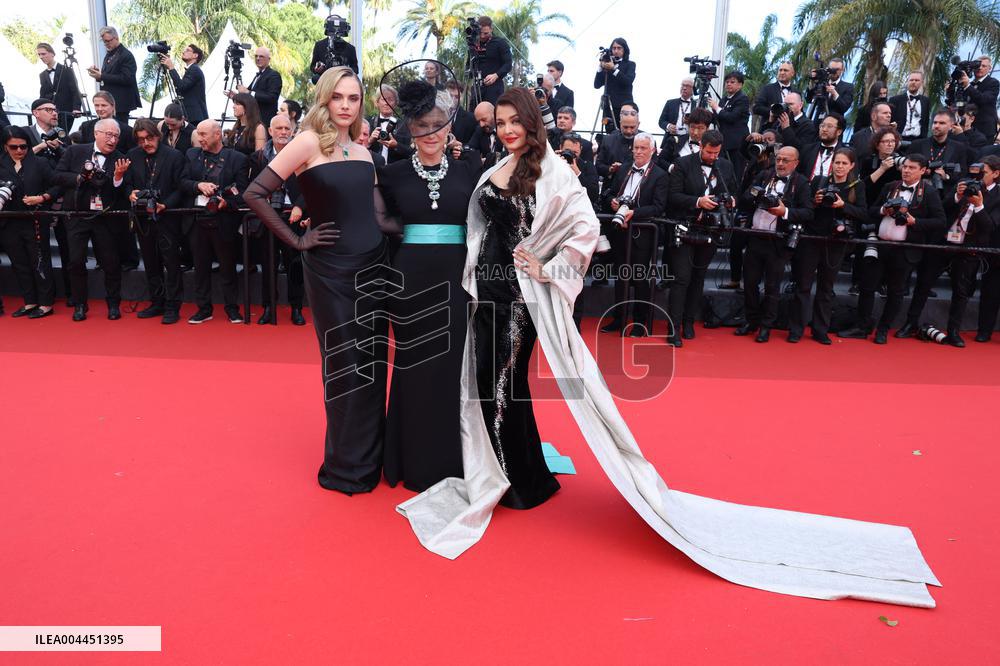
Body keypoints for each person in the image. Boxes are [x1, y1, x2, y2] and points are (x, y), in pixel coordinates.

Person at [396, 87, 938, 611]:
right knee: (498, 384)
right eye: (502, 123)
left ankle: (511, 481)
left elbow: (585, 228)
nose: (509, 130)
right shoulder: (496, 168)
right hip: (486, 291)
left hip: (519, 296)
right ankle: (523, 474)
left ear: (533, 122)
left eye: (517, 121)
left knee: (497, 384)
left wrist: (548, 266)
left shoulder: (553, 169)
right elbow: (478, 226)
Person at [243, 66, 388, 495]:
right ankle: (347, 467)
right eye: (338, 97)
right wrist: (296, 238)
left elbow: (380, 216)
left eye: (354, 99)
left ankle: (372, 458)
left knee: (374, 364)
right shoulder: (307, 142)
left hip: (374, 267)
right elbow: (255, 193)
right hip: (332, 270)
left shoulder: (363, 152)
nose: (346, 106)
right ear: (325, 99)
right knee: (345, 365)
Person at [378, 78, 482, 492]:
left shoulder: (468, 169)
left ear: (449, 128)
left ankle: (448, 459)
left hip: (455, 278)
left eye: (437, 126)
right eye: (421, 127)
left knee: (450, 366)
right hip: (409, 279)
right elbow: (377, 221)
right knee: (412, 364)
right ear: (409, 129)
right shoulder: (392, 174)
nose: (430, 135)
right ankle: (407, 457)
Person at [839, 154, 946, 343]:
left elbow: (940, 221)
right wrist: (883, 211)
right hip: (880, 244)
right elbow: (871, 211)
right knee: (867, 286)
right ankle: (862, 326)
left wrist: (915, 222)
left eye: (912, 168)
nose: (906, 170)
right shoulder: (890, 186)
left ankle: (883, 329)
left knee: (895, 291)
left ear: (922, 170)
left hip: (905, 249)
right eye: (905, 167)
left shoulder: (928, 192)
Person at [894, 159, 996, 346]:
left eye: (984, 173)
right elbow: (942, 209)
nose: (978, 178)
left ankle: (953, 331)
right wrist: (957, 196)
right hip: (943, 243)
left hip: (969, 250)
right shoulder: (963, 184)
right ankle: (910, 323)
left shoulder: (997, 195)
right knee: (923, 284)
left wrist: (980, 205)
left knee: (961, 291)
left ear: (996, 174)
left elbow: (990, 227)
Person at [665, 129, 738, 346]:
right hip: (685, 228)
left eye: (717, 153)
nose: (713, 157)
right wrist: (698, 201)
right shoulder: (683, 164)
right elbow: (673, 196)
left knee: (698, 278)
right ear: (700, 146)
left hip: (711, 231)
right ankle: (673, 327)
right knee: (681, 279)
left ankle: (689, 323)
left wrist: (731, 201)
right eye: (709, 152)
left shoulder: (726, 165)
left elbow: (734, 191)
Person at [54, 118, 130, 321]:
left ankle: (113, 304)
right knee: (76, 261)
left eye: (116, 136)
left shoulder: (121, 158)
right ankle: (80, 305)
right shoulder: (75, 151)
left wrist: (118, 177)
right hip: (77, 215)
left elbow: (121, 193)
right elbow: (58, 176)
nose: (112, 140)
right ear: (96, 133)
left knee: (111, 262)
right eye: (109, 134)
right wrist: (79, 178)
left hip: (104, 217)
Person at [789, 147, 867, 344]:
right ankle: (796, 329)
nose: (839, 167)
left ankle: (820, 329)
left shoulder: (857, 186)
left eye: (844, 163)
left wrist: (843, 206)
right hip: (812, 239)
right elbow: (806, 209)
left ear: (851, 166)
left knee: (826, 288)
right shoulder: (819, 181)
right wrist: (815, 202)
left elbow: (863, 214)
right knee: (803, 286)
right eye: (837, 162)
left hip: (836, 243)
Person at [736, 146, 813, 342]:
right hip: (755, 237)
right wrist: (755, 196)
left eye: (786, 160)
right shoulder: (764, 175)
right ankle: (751, 320)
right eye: (778, 159)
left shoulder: (801, 183)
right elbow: (743, 200)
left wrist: (784, 212)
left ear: (795, 163)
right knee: (750, 283)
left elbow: (808, 213)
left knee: (772, 287)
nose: (780, 163)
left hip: (778, 242)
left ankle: (766, 325)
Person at [599, 132, 668, 337]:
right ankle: (619, 319)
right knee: (621, 278)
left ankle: (640, 322)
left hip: (642, 235)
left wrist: (633, 213)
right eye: (636, 148)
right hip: (620, 232)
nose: (638, 151)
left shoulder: (660, 175)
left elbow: (658, 207)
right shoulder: (624, 169)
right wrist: (613, 201)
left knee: (639, 279)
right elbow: (609, 192)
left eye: (643, 148)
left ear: (652, 150)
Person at [182, 119, 249, 324]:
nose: (199, 138)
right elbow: (182, 182)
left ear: (217, 134)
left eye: (203, 134)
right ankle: (203, 308)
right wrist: (198, 185)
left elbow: (244, 192)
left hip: (223, 220)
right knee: (200, 268)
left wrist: (225, 203)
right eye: (198, 134)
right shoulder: (191, 155)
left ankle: (232, 308)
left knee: (227, 267)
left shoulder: (237, 158)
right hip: (197, 218)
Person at [123, 118, 187, 324]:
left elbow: (180, 187)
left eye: (149, 138)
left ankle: (173, 305)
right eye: (141, 140)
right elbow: (127, 185)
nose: (145, 143)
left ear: (157, 136)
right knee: (150, 262)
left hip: (167, 218)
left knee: (171, 262)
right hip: (143, 219)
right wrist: (130, 194)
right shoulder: (132, 156)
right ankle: (157, 301)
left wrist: (165, 205)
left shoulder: (175, 156)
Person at [248, 113, 307, 326]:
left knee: (295, 265)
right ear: (270, 131)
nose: (283, 132)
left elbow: (311, 186)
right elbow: (253, 188)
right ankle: (268, 308)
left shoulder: (302, 155)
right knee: (268, 265)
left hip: (294, 216)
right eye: (279, 129)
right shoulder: (258, 157)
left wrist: (300, 205)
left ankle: (297, 308)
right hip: (268, 216)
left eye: (287, 128)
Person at [0, 126, 61, 318]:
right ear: (5, 147)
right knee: (19, 263)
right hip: (8, 222)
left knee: (40, 261)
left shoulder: (40, 163)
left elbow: (57, 185)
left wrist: (42, 198)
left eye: (23, 146)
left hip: (35, 219)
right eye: (14, 147)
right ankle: (30, 301)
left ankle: (45, 303)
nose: (19, 150)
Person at [88, 27, 141, 123]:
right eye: (104, 42)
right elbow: (109, 75)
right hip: (108, 100)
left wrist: (102, 76)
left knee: (119, 129)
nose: (106, 44)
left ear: (116, 38)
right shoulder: (109, 54)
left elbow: (127, 78)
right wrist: (98, 74)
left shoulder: (126, 55)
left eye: (108, 41)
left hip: (120, 102)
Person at [708, 70, 751, 178]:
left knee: (735, 174)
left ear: (740, 85)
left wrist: (716, 107)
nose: (728, 84)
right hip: (723, 142)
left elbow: (732, 117)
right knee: (723, 173)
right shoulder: (724, 100)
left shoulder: (742, 99)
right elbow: (719, 117)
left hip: (737, 144)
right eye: (727, 82)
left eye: (732, 82)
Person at [230, 47, 281, 128]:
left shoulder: (274, 75)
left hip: (264, 121)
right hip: (253, 121)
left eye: (261, 56)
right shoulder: (257, 76)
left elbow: (272, 97)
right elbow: (250, 97)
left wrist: (248, 92)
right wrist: (236, 96)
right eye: (256, 56)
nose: (258, 58)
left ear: (269, 59)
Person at [37, 42, 81, 132]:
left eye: (43, 54)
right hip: (49, 114)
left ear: (52, 54)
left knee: (62, 137)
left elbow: (75, 90)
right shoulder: (42, 75)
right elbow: (43, 95)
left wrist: (76, 108)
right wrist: (38, 108)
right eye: (39, 54)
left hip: (65, 112)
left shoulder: (66, 69)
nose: (41, 57)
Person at [593, 37, 635, 130]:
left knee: (624, 132)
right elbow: (596, 85)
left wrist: (614, 69)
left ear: (625, 50)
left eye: (619, 48)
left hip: (624, 107)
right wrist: (600, 67)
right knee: (609, 133)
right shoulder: (607, 65)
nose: (616, 51)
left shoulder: (630, 64)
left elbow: (627, 81)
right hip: (608, 106)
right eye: (614, 48)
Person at [161, 44, 208, 124]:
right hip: (192, 116)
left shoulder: (194, 69)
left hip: (195, 118)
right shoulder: (192, 69)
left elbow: (181, 86)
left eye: (187, 50)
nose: (183, 52)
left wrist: (171, 68)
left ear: (195, 55)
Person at [471, 16, 512, 106]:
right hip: (477, 88)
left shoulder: (500, 43)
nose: (482, 36)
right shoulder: (473, 44)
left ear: (491, 29)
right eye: (480, 33)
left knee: (492, 114)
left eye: (486, 33)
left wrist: (496, 75)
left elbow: (508, 64)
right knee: (473, 115)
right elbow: (469, 64)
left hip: (494, 88)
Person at [309, 14, 359, 82]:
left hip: (343, 81)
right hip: (325, 82)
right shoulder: (319, 45)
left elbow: (356, 69)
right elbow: (312, 66)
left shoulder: (350, 48)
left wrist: (345, 70)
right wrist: (317, 68)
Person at [799, 113, 846, 182]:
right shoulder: (807, 149)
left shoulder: (846, 154)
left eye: (829, 126)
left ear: (839, 132)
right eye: (822, 126)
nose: (824, 129)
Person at [752, 61, 799, 129]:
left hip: (791, 130)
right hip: (770, 129)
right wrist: (772, 111)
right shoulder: (767, 89)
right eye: (780, 70)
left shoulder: (796, 91)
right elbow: (756, 108)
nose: (782, 72)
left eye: (785, 70)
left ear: (792, 73)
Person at [889, 72, 930, 142]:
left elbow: (925, 122)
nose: (913, 82)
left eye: (917, 80)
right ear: (907, 82)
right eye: (911, 80)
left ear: (921, 83)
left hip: (918, 141)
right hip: (899, 139)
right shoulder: (895, 100)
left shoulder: (926, 101)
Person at [559, 133, 598, 203]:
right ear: (560, 148)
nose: (571, 155)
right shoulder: (553, 163)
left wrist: (577, 172)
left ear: (581, 149)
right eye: (567, 151)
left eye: (575, 152)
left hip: (579, 206)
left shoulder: (588, 167)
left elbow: (593, 195)